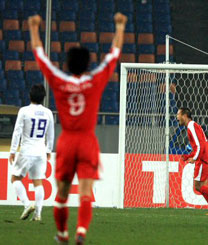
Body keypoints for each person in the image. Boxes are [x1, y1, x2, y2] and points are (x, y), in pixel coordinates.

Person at [28, 12, 127, 244]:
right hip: (86, 142)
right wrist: (120, 27)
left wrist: (34, 28)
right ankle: (81, 232)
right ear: (87, 64)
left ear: (67, 64)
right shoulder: (95, 80)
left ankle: (62, 234)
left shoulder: (59, 80)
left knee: (61, 195)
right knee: (85, 194)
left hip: (67, 141)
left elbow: (40, 57)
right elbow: (113, 55)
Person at [9, 84, 54, 222]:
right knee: (38, 182)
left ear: (30, 96)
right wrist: (48, 150)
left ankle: (28, 204)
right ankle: (38, 214)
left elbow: (17, 132)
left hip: (27, 150)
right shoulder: (48, 113)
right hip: (40, 151)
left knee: (15, 179)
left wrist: (12, 150)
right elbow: (50, 133)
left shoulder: (24, 111)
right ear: (43, 98)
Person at [176, 108, 208, 215]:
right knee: (201, 187)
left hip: (203, 159)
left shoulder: (191, 126)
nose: (177, 117)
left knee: (198, 186)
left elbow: (200, 145)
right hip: (205, 158)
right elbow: (198, 146)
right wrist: (188, 156)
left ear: (185, 115)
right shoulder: (193, 126)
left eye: (178, 114)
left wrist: (194, 158)